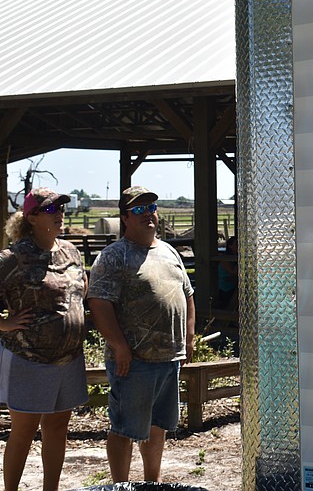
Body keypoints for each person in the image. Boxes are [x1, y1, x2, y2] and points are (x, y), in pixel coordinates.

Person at [0, 188, 88, 491]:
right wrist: (1, 323)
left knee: (58, 428)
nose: (58, 213)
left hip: (68, 358)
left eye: (60, 208)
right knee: (24, 431)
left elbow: (81, 288)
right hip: (29, 359)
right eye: (49, 210)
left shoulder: (70, 251)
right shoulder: (17, 255)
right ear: (30, 217)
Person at [86, 186, 196, 484]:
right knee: (124, 428)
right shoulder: (113, 256)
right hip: (134, 361)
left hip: (168, 358)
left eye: (151, 208)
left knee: (157, 427)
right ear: (125, 218)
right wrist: (119, 345)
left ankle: (152, 483)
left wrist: (188, 337)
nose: (148, 214)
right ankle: (120, 485)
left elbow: (187, 294)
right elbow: (99, 303)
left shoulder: (169, 250)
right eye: (138, 209)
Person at [216, 235, 238, 310]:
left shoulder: (235, 257)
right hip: (225, 288)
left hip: (232, 284)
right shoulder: (225, 258)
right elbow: (232, 272)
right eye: (236, 244)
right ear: (230, 246)